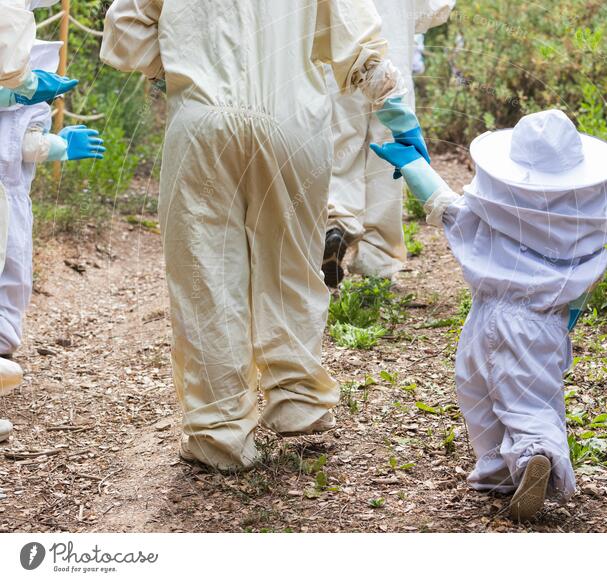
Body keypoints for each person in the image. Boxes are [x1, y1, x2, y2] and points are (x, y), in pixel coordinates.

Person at [100, 0, 430, 471]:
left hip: (202, 122)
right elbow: (363, 48)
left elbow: (126, 27)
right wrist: (397, 114)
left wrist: (176, 61)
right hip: (293, 126)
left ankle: (220, 432)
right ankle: (298, 400)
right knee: (290, 264)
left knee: (206, 281)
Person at [371, 109, 607, 521]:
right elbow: (582, 292)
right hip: (544, 324)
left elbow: (444, 206)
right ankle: (534, 454)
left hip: (485, 321)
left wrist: (413, 164)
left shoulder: (492, 218)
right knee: (531, 399)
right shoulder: (583, 233)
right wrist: (567, 324)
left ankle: (498, 471)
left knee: (478, 395)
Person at [322, 0, 455, 287]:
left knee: (341, 146)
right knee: (388, 158)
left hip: (344, 63)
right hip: (392, 63)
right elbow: (434, 10)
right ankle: (377, 259)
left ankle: (337, 222)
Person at [0, 0, 83, 442]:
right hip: (6, 201)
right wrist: (63, 145)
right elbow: (26, 147)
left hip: (10, 195)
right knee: (9, 278)